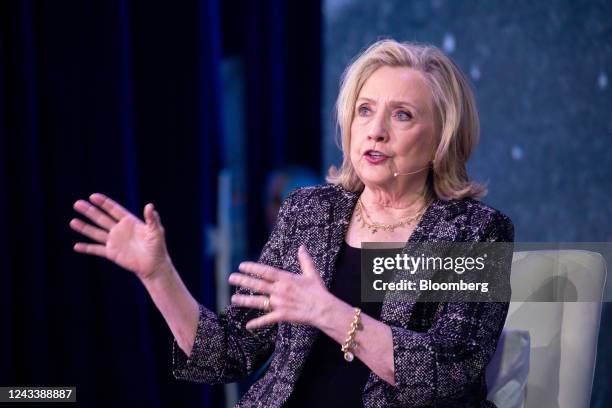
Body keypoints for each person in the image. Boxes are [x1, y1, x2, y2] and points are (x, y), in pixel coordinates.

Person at [70, 39, 514, 407]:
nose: (375, 130)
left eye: (402, 115)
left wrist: (330, 313)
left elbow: (446, 373)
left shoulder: (475, 231)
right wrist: (158, 273)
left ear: (442, 139)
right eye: (364, 110)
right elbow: (228, 353)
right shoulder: (310, 213)